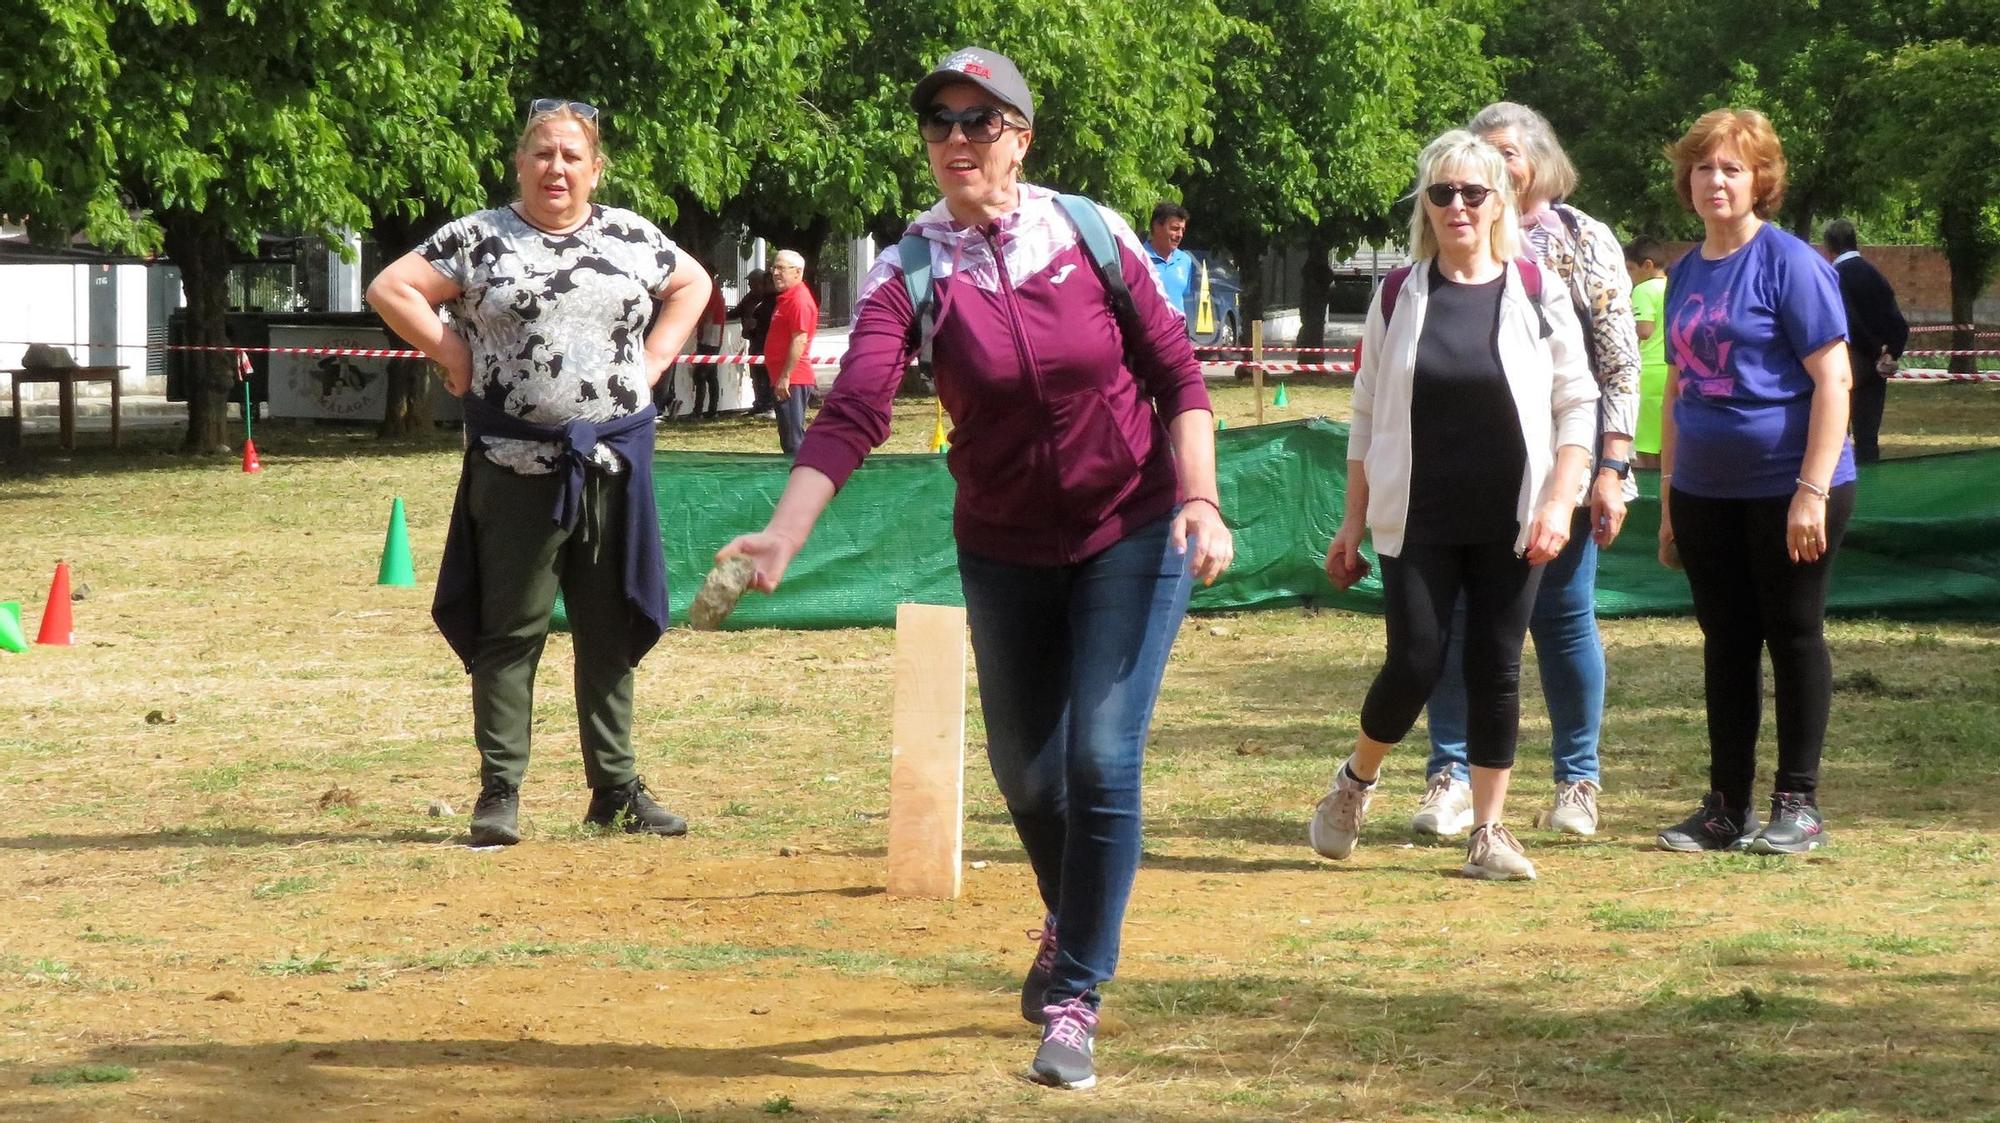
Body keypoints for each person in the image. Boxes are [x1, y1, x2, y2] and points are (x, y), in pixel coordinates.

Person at [717, 46, 1229, 1089]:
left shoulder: (1089, 234)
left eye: (978, 121)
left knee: (1099, 756)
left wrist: (1201, 497)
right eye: (939, 122)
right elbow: (855, 407)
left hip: (1132, 525)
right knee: (1026, 773)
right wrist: (785, 530)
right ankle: (1067, 913)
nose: (956, 138)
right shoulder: (907, 266)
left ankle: (1077, 995)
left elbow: (1175, 371)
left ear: (1020, 136)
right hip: (1002, 543)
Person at [366, 99, 712, 846]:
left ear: (596, 167)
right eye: (543, 153)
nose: (557, 167)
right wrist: (450, 350)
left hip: (614, 464)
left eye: (572, 155)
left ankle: (615, 789)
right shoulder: (478, 238)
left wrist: (654, 358)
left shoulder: (629, 236)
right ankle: (500, 792)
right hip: (514, 463)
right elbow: (391, 287)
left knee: (610, 624)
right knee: (510, 629)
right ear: (520, 162)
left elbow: (694, 285)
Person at [1311, 129, 1597, 882]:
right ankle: (1355, 781)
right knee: (1413, 663)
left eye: (1474, 192)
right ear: (1426, 205)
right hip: (1418, 515)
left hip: (1513, 515)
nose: (1459, 206)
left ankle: (1491, 830)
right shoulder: (1398, 293)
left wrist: (1560, 501)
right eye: (1443, 193)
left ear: (1500, 201)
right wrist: (1351, 520)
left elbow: (1578, 403)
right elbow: (1367, 413)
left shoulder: (1536, 288)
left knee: (1496, 667)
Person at [1408, 102, 1641, 843]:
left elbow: (1615, 364)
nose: (1487, 169)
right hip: (1467, 477)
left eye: (1505, 153)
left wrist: (1611, 466)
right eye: (1478, 154)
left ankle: (1577, 780)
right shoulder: (1457, 229)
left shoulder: (1580, 238)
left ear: (1537, 160)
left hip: (1561, 474)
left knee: (1563, 622)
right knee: (1455, 628)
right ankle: (1447, 774)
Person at [1655, 109, 1854, 856]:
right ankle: (1725, 807)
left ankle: (1797, 803)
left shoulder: (1793, 263)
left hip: (1791, 487)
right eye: (1704, 167)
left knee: (1793, 635)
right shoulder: (1686, 271)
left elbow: (1834, 380)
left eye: (1732, 168)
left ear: (1760, 180)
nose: (1716, 181)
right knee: (1726, 643)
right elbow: (1677, 390)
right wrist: (1670, 501)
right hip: (1706, 490)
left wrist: (1811, 489)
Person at [1823, 218, 1909, 464]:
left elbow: (1848, 321)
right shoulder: (1876, 275)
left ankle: (1841, 494)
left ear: (1829, 247)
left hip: (1846, 363)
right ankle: (1872, 493)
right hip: (1875, 369)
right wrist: (1889, 353)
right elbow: (1898, 323)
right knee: (1868, 438)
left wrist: (1873, 350)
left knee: (1837, 436)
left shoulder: (1834, 276)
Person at [765, 249, 819, 454]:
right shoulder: (787, 298)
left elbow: (800, 340)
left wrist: (785, 377)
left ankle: (802, 482)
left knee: (794, 441)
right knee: (788, 439)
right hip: (784, 379)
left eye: (781, 268)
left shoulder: (799, 300)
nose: (775, 273)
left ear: (797, 272)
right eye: (774, 267)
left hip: (792, 380)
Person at [1625, 236, 1671, 469]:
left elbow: (1644, 330)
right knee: (1667, 442)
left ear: (1648, 265)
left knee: (1644, 446)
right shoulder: (1674, 286)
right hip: (1673, 370)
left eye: (1631, 269)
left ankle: (1648, 500)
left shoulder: (1642, 290)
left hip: (1650, 372)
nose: (1629, 275)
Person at [730, 269, 777, 416]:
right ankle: (759, 403)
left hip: (767, 343)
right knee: (755, 375)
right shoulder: (749, 299)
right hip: (755, 342)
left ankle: (769, 405)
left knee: (767, 375)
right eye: (749, 283)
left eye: (752, 283)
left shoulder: (772, 300)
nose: (750, 286)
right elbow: (736, 312)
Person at [686, 267, 730, 420]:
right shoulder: (714, 289)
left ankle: (698, 411)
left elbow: (706, 313)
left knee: (701, 374)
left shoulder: (709, 288)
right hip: (711, 335)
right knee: (711, 375)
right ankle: (712, 410)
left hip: (710, 335)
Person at [1145, 202, 1194, 323]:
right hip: (1148, 335)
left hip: (1177, 334)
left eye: (1182, 230)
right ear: (1157, 226)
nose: (1180, 235)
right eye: (1175, 228)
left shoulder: (1185, 260)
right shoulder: (1139, 258)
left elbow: (1181, 296)